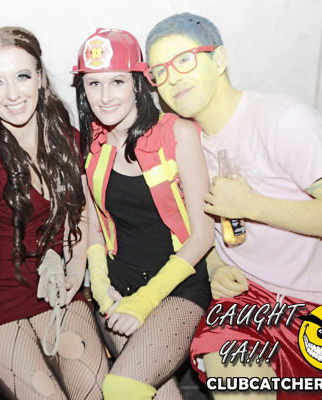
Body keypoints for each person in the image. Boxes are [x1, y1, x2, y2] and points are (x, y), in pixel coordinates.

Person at [145, 13, 322, 399]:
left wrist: (252, 205)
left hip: (320, 311)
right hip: (246, 304)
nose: (172, 78)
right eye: (159, 71)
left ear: (219, 59)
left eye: (184, 60)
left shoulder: (285, 121)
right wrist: (216, 268)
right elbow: (203, 231)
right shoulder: (183, 144)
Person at [0, 27, 108, 400]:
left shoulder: (67, 140)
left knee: (93, 389)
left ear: (39, 77)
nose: (13, 93)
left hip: (51, 286)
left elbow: (83, 213)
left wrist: (77, 266)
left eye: (21, 76)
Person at [73, 28, 214, 399]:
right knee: (154, 392)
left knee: (121, 387)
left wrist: (145, 301)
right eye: (94, 84)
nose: (105, 96)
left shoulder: (178, 133)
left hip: (177, 287)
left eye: (117, 82)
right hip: (118, 287)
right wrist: (100, 287)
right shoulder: (92, 142)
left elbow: (203, 235)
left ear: (137, 83)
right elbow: (95, 226)